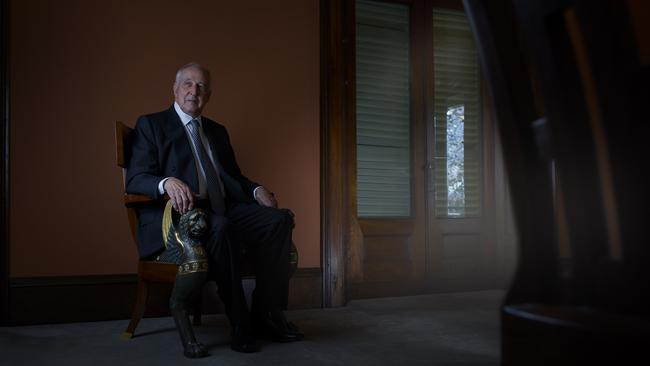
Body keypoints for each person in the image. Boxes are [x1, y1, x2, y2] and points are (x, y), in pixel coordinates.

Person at [125, 62, 303, 355]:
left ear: (209, 95)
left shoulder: (217, 131)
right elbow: (136, 178)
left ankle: (266, 313)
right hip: (185, 216)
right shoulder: (152, 124)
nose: (194, 91)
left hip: (225, 207)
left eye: (201, 86)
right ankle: (239, 320)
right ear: (175, 88)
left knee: (279, 220)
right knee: (221, 228)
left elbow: (233, 178)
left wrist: (256, 190)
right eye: (188, 84)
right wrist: (166, 182)